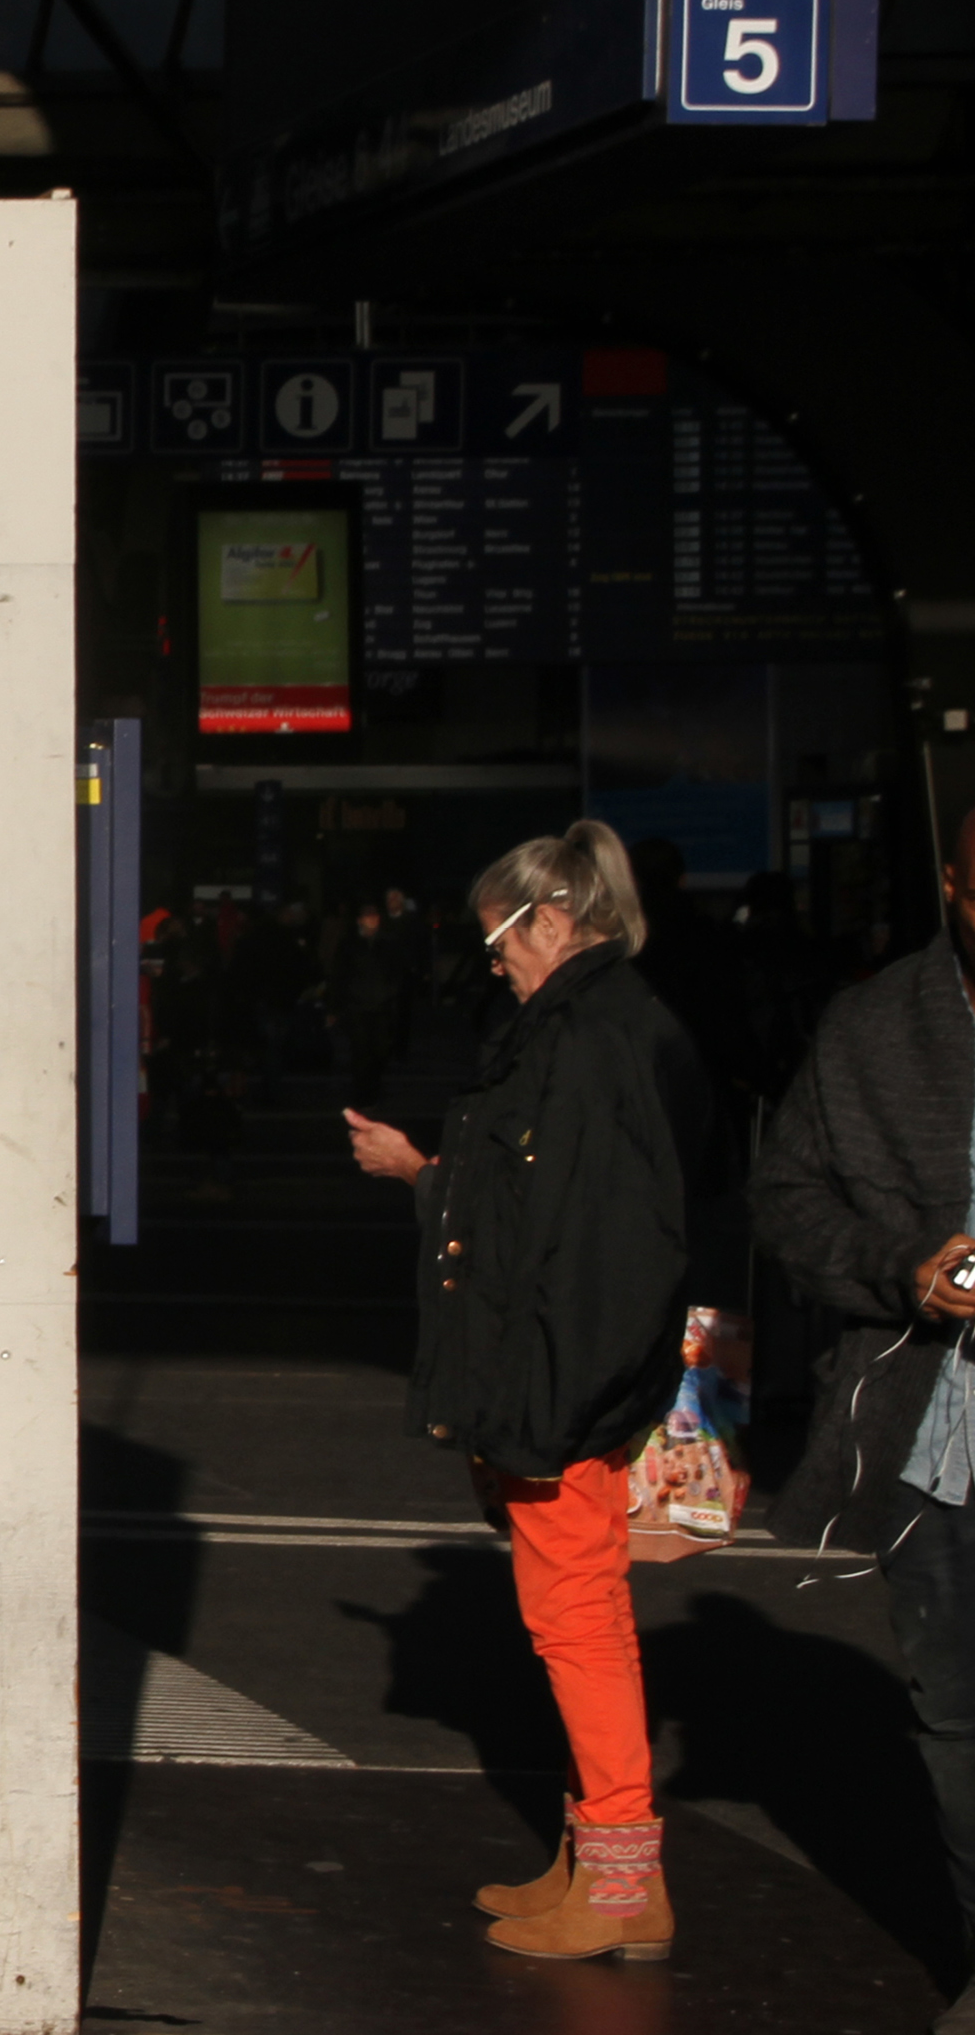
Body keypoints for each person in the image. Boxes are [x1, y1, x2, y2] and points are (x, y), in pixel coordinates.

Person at [342, 820, 713, 1963]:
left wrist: (546, 1412)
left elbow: (591, 1244)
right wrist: (428, 1174)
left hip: (563, 1387)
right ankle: (594, 1859)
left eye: (495, 938)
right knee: (576, 1619)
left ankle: (616, 1879)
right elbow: (547, 1214)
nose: (488, 959)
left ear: (547, 920)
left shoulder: (587, 1039)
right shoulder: (605, 1025)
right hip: (569, 1377)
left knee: (577, 1623)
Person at [747, 800, 975, 2035]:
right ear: (949, 886)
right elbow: (785, 1200)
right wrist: (902, 1267)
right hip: (938, 1429)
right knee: (957, 1716)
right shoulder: (875, 1027)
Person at [328, 898, 406, 1108]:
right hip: (358, 1006)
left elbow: (397, 972)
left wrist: (390, 993)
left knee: (379, 1050)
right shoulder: (350, 944)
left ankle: (374, 1087)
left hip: (380, 1005)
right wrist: (335, 1005)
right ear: (360, 920)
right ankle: (364, 1091)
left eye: (375, 916)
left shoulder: (387, 943)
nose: (372, 920)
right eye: (368, 916)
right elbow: (339, 975)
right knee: (361, 1051)